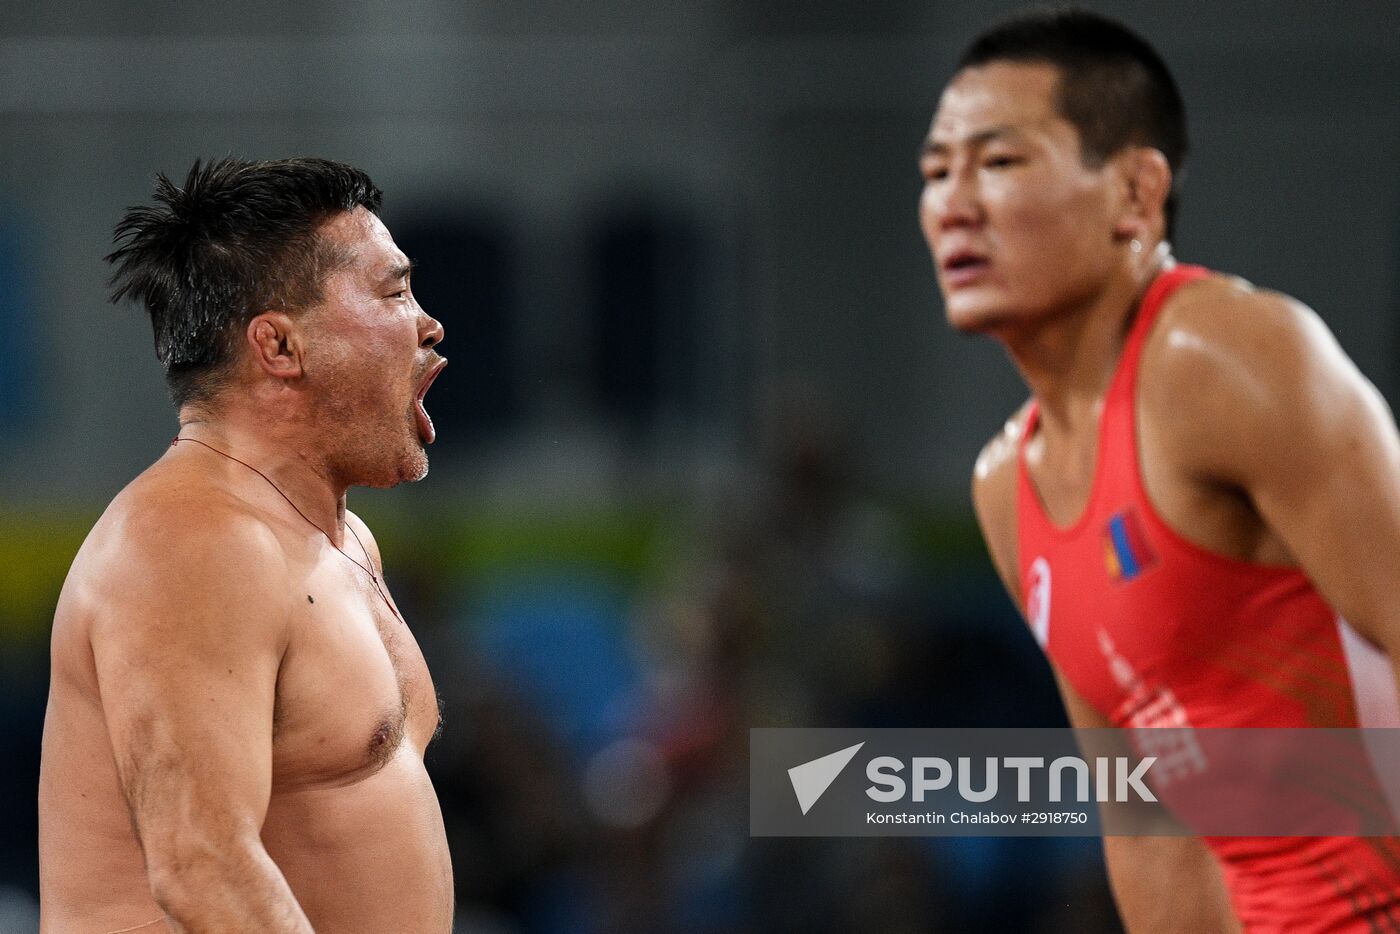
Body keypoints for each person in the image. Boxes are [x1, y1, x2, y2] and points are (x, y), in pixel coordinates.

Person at [919, 9, 1400, 932]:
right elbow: (1151, 826)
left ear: (1137, 193)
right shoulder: (1008, 486)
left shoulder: (1225, 357)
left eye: (1001, 161)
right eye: (937, 171)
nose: (954, 203)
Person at [38, 157, 452, 932]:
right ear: (280, 347)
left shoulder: (340, 541)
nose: (428, 323)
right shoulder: (188, 542)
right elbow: (203, 867)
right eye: (395, 293)